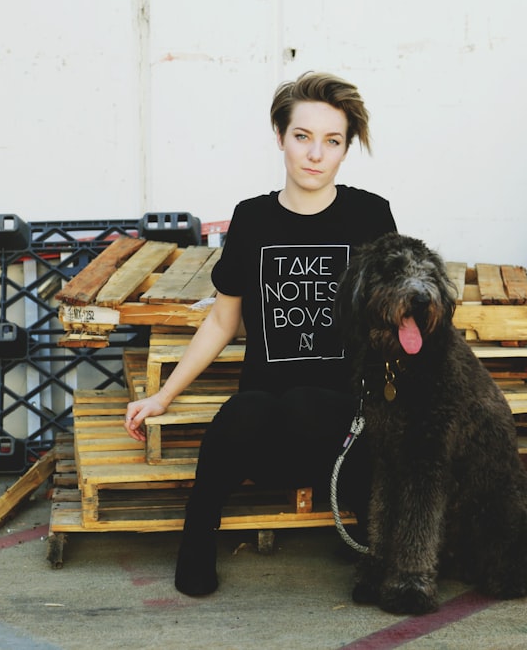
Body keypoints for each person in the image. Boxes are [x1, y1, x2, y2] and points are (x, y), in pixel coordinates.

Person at [124, 71, 397, 596]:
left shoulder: (370, 216)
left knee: (303, 401)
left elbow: (395, 314)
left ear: (345, 150)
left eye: (332, 141)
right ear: (280, 138)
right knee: (250, 407)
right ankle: (198, 533)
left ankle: (375, 530)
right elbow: (223, 321)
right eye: (303, 136)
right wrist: (162, 396)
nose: (315, 154)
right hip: (267, 435)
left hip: (345, 432)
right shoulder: (251, 219)